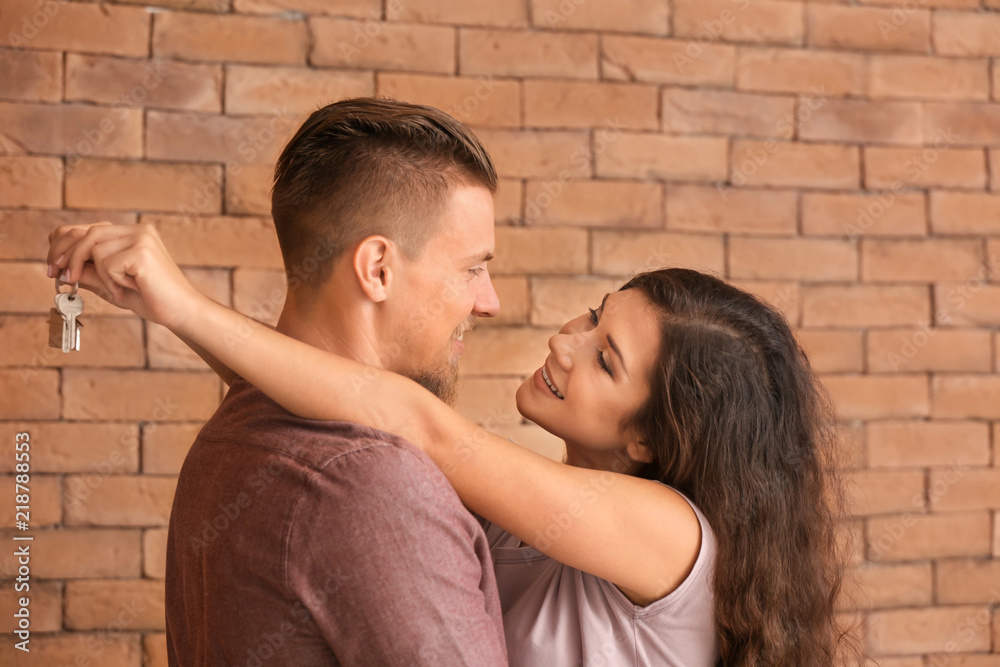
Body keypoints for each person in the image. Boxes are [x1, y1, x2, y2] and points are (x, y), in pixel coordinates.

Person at [49, 222, 861, 666]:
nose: (565, 342)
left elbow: (416, 421)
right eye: (593, 314)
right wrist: (157, 309)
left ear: (649, 437)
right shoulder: (548, 515)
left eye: (605, 359)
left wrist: (184, 304)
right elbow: (333, 403)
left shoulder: (672, 534)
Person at [49, 98, 511, 665]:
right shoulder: (373, 483)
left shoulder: (233, 431)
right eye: (473, 268)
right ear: (379, 270)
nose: (489, 302)